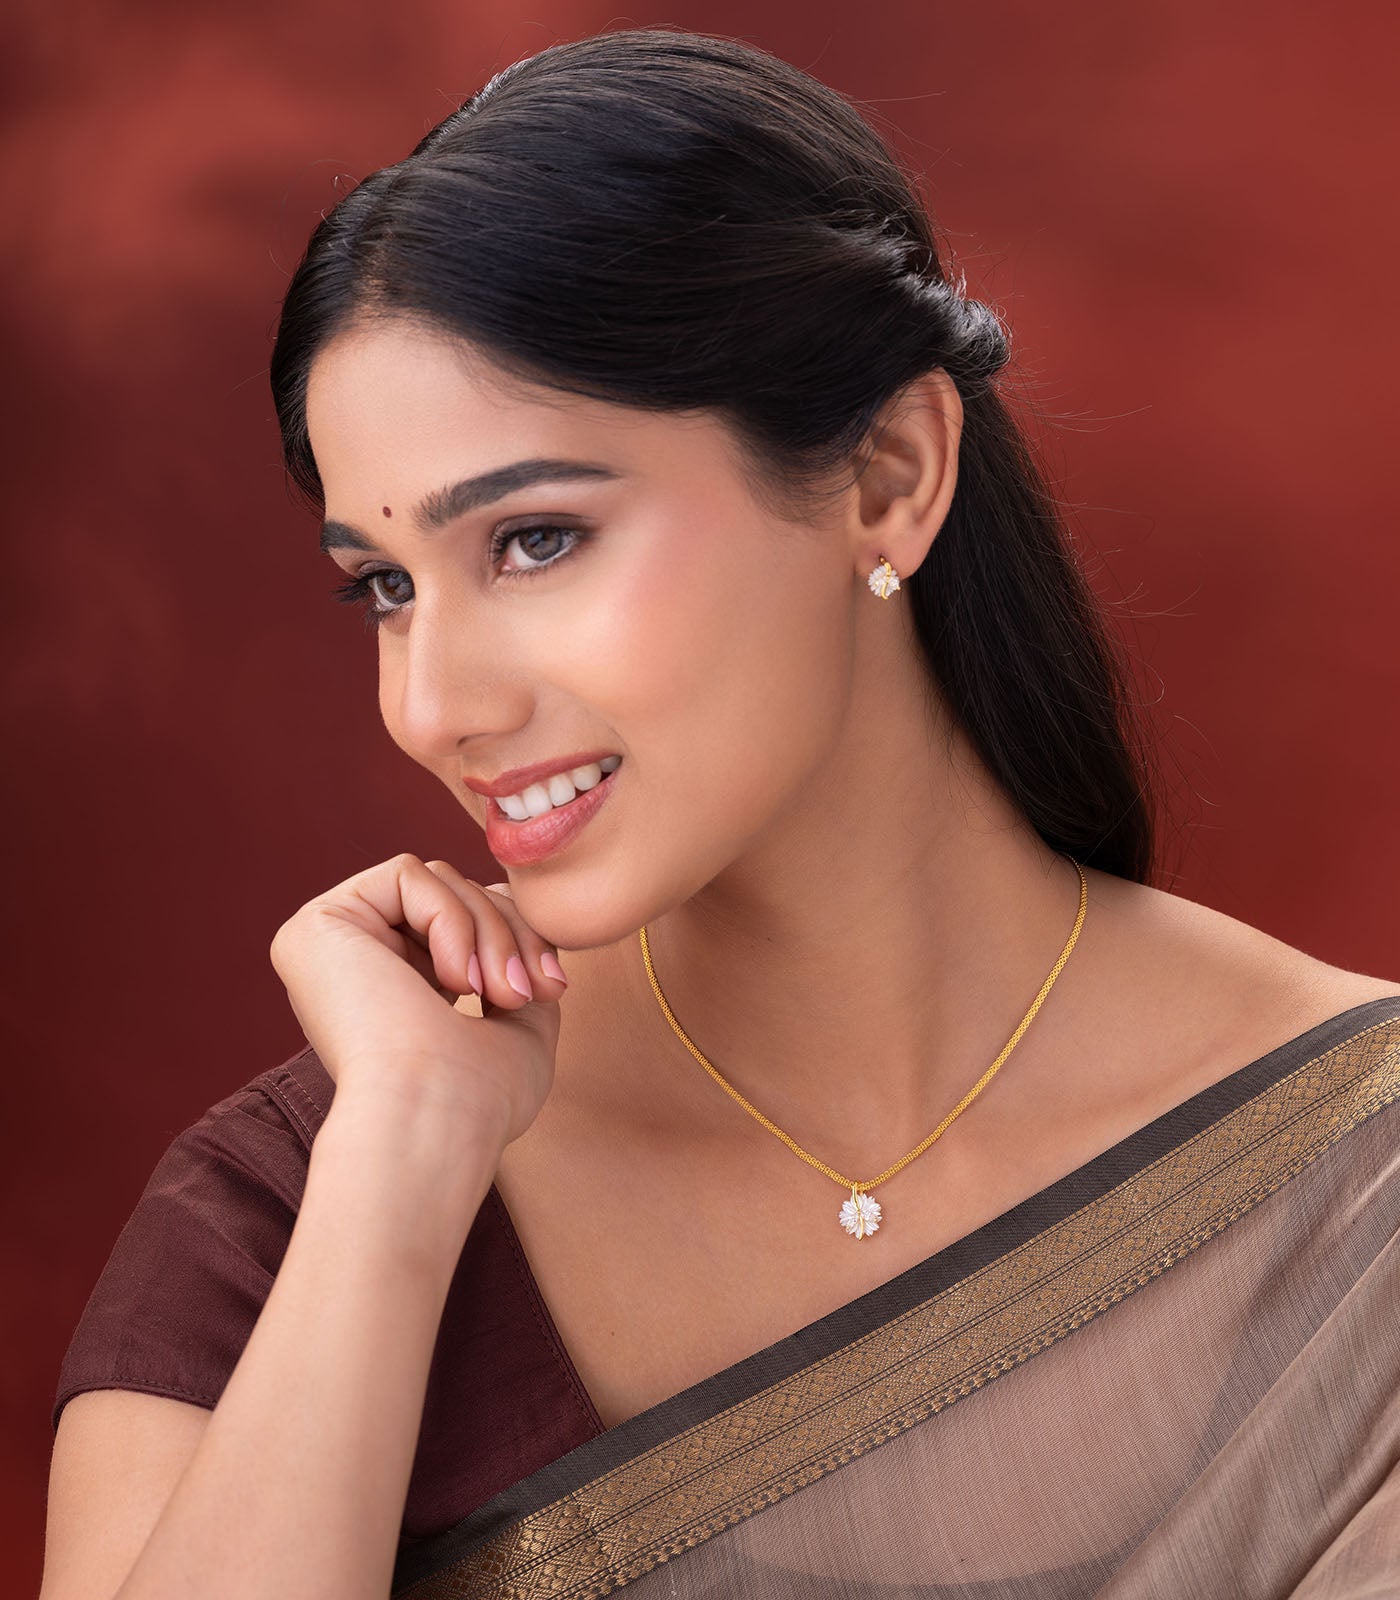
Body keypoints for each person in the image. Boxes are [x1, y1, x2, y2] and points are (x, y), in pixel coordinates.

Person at [39, 25, 1400, 1600]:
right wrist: (399, 1168)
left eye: (536, 539)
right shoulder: (287, 1214)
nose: (431, 705)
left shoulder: (1356, 1192)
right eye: (385, 588)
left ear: (890, 475)